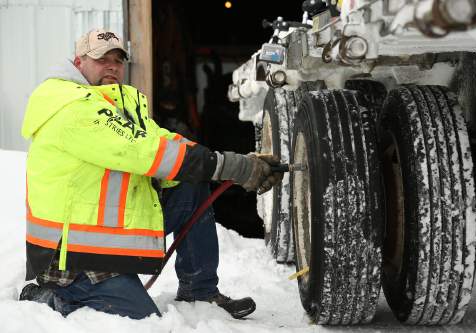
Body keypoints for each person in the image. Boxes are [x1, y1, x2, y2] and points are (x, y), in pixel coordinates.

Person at [19, 28, 283, 320]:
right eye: (101, 58)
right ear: (78, 63)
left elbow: (164, 142)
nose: (112, 66)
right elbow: (145, 152)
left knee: (190, 185)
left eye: (118, 60)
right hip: (74, 258)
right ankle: (54, 296)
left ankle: (199, 291)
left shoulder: (119, 105)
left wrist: (227, 162)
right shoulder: (73, 107)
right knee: (144, 321)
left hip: (103, 243)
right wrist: (227, 167)